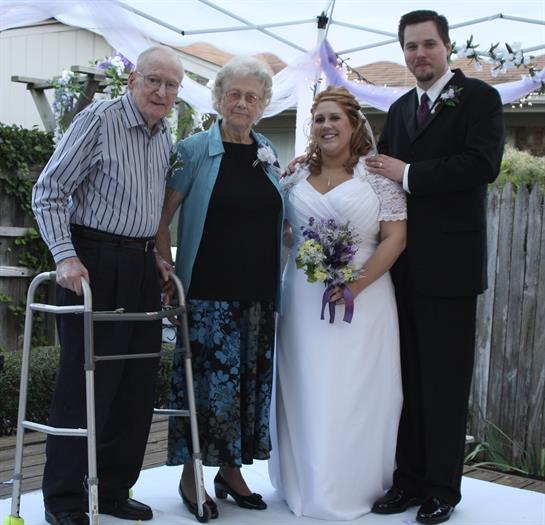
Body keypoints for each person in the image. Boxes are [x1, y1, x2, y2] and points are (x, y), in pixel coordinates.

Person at [32, 45, 184, 525]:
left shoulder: (165, 137)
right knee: (85, 384)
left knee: (136, 383)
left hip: (140, 264)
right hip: (92, 263)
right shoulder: (99, 119)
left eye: (171, 85)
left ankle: (115, 489)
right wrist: (65, 256)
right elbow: (50, 190)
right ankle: (65, 499)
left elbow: (146, 209)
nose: (161, 91)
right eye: (153, 80)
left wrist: (158, 258)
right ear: (133, 79)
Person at [364, 10, 504, 525]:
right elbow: (377, 175)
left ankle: (443, 488)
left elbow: (481, 164)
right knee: (406, 382)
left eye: (427, 44)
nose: (419, 54)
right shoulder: (399, 109)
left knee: (444, 383)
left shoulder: (480, 100)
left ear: (447, 48)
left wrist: (412, 174)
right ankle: (407, 480)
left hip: (451, 269)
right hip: (398, 267)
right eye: (410, 47)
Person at [154, 55, 284, 520]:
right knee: (203, 391)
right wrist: (164, 265)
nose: (242, 103)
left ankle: (230, 472)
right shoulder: (192, 151)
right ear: (219, 98)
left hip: (259, 296)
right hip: (208, 294)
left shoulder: (268, 152)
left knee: (247, 389)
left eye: (252, 96)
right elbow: (161, 219)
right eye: (234, 94)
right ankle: (192, 477)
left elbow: (276, 217)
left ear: (263, 103)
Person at [268, 86, 407, 520]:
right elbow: (285, 233)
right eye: (319, 119)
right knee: (306, 386)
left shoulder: (377, 176)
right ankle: (303, 482)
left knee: (354, 389)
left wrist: (354, 285)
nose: (326, 126)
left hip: (363, 301)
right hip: (303, 299)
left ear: (353, 126)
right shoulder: (293, 177)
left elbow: (395, 237)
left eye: (335, 119)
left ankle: (354, 485)